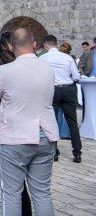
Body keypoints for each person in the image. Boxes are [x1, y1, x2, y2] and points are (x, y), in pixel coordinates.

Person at [0, 28, 60, 216]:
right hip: (45, 135)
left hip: (15, 137)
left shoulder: (5, 71)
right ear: (35, 44)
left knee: (11, 193)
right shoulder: (47, 69)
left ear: (9, 47)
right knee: (42, 194)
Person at [39, 34, 82, 163]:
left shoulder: (43, 58)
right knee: (72, 122)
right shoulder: (67, 58)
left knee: (52, 121)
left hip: (53, 90)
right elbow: (76, 76)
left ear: (46, 44)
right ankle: (77, 152)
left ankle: (54, 152)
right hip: (68, 89)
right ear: (56, 44)